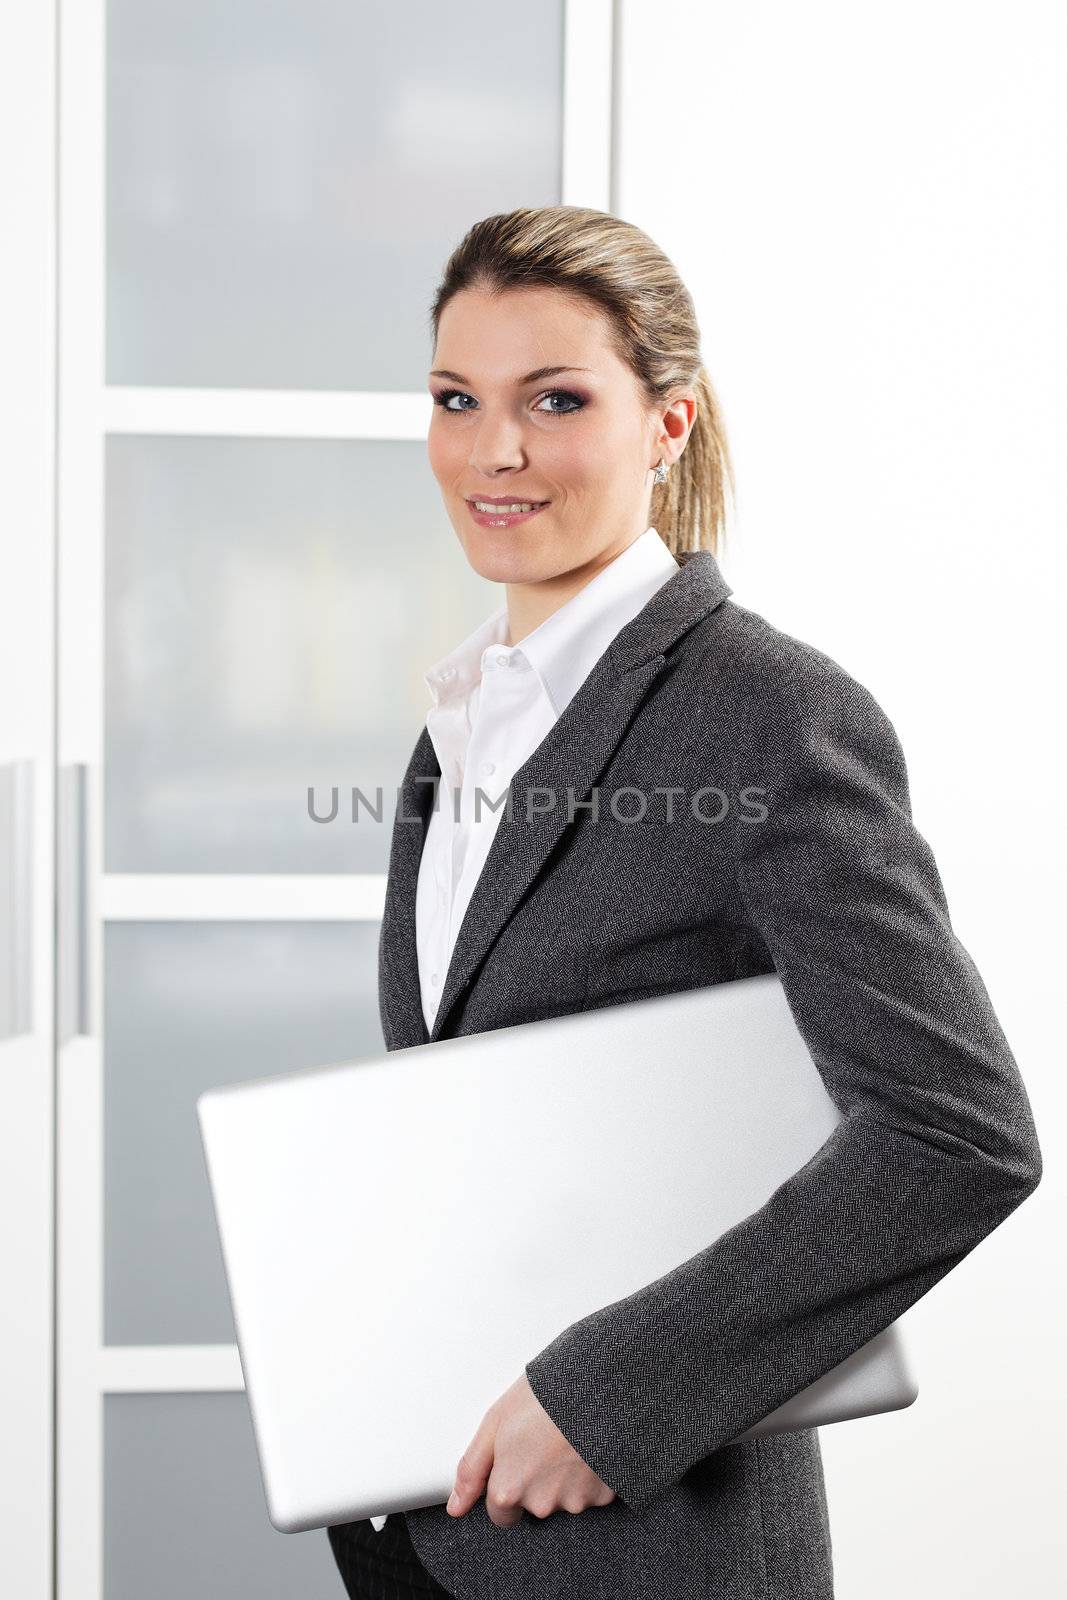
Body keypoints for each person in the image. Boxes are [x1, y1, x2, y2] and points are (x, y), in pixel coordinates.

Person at [327, 205, 1043, 1600]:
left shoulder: (769, 715)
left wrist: (610, 1397)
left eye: (557, 400)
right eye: (457, 400)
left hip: (655, 1545)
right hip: (432, 1529)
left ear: (668, 425)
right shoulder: (460, 727)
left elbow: (957, 1136)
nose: (496, 451)